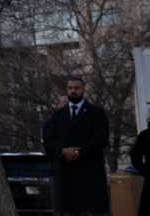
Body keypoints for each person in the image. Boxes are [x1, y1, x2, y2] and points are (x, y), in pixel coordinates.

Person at [42, 76, 110, 216]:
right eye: (70, 88)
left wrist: (79, 152)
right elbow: (49, 139)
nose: (73, 91)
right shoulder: (58, 115)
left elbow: (101, 139)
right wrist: (63, 151)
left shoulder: (96, 112)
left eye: (76, 88)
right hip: (66, 175)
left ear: (83, 90)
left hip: (90, 173)